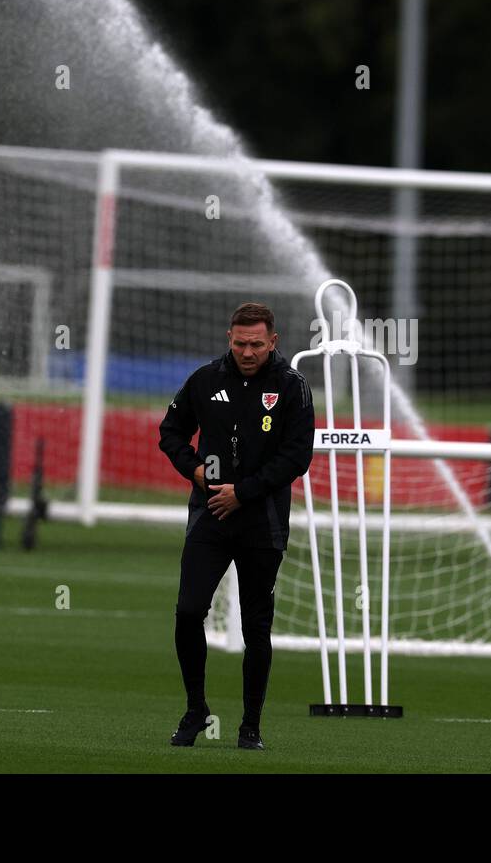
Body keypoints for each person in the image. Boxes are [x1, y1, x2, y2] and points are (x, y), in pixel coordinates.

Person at [157, 302, 315, 750]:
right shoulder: (205, 380)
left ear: (274, 342)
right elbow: (170, 431)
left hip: (260, 523)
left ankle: (251, 725)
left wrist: (242, 492)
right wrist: (194, 470)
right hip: (209, 517)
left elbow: (297, 455)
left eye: (257, 344)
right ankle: (195, 711)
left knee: (256, 627)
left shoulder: (292, 387)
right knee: (188, 611)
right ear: (229, 337)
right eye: (241, 343)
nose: (248, 352)